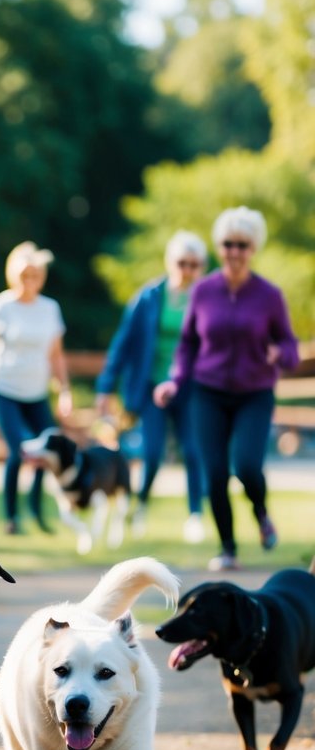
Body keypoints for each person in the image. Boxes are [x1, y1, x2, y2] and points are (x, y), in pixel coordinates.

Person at [154, 206, 299, 571]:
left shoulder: (269, 295)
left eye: (242, 244)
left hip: (255, 393)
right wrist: (175, 379)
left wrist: (278, 351)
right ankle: (228, 547)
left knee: (247, 466)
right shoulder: (203, 292)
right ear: (219, 248)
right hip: (208, 391)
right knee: (215, 472)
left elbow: (292, 348)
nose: (234, 251)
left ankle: (262, 513)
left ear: (253, 248)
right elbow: (187, 343)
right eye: (227, 244)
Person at [96, 230, 208, 543]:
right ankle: (141, 502)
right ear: (170, 262)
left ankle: (195, 514)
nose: (187, 270)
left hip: (191, 388)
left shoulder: (208, 297)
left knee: (192, 450)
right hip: (151, 387)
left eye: (194, 264)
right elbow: (122, 343)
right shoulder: (148, 297)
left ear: (202, 266)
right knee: (154, 451)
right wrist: (105, 386)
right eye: (181, 263)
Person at [0, 241, 72, 535]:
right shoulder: (1, 306)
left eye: (35, 274)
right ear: (13, 274)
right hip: (4, 387)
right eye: (24, 274)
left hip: (36, 391)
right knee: (18, 450)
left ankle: (36, 511)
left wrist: (64, 391)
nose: (30, 280)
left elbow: (56, 355)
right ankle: (12, 517)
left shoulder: (50, 309)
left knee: (44, 449)